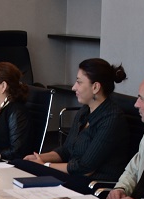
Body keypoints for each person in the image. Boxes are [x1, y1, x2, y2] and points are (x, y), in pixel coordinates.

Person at [23, 58, 129, 186]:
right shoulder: (85, 111)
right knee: (22, 164)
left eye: (79, 82)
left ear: (95, 87)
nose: (74, 87)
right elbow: (67, 150)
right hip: (74, 177)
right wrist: (39, 158)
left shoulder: (112, 119)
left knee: (29, 174)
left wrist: (46, 165)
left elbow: (85, 169)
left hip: (93, 185)